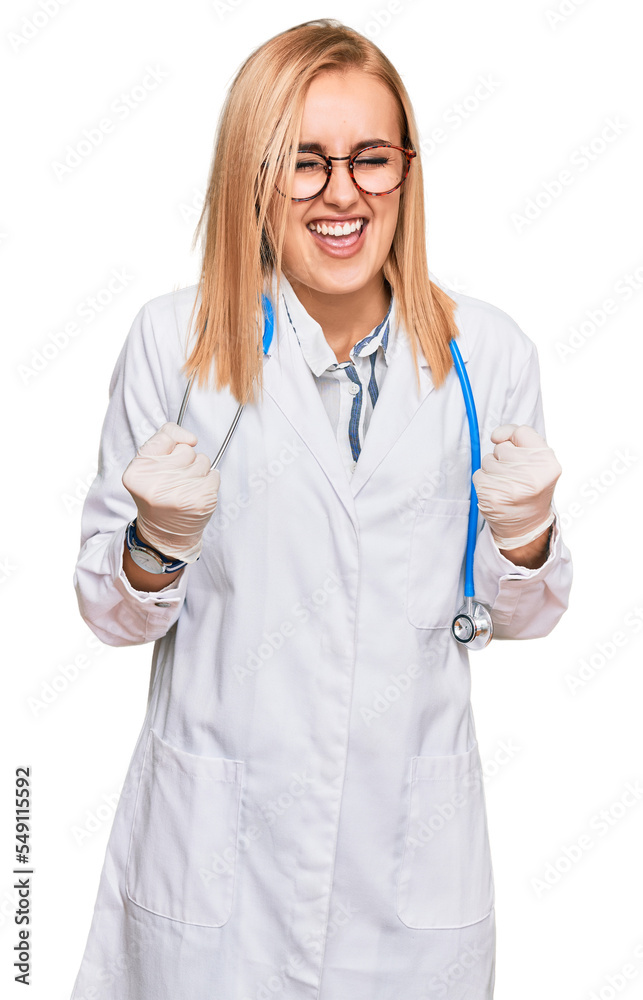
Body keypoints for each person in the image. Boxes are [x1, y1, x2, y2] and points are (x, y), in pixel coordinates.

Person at [70, 18, 572, 1000]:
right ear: (252, 176)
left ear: (406, 171)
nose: (342, 193)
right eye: (304, 162)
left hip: (407, 878)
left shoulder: (489, 358)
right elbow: (108, 612)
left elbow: (515, 614)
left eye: (369, 158)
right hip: (218, 873)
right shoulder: (174, 344)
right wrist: (153, 545)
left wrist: (528, 540)